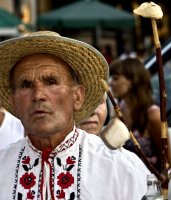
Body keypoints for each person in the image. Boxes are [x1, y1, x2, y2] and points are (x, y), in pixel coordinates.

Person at [0, 31, 150, 199]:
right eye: (26, 85)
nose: (38, 95)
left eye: (51, 82)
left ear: (77, 97)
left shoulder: (121, 168)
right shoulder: (3, 166)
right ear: (13, 102)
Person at [109, 57, 171, 171]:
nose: (111, 83)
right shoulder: (120, 110)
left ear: (132, 81)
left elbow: (167, 161)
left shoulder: (153, 114)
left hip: (147, 184)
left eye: (115, 78)